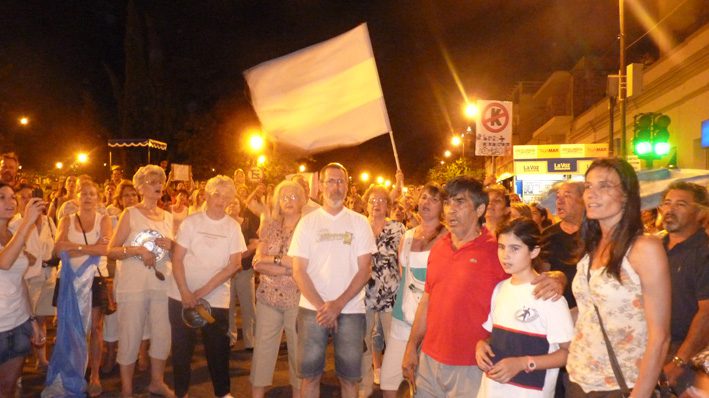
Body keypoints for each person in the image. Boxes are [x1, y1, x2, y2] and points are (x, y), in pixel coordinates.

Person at [401, 176, 565, 397]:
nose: (450, 210)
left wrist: (558, 278)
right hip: (430, 360)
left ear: (479, 209)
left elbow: (528, 273)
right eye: (448, 202)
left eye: (460, 202)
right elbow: (427, 299)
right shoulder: (439, 247)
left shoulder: (496, 251)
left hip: (472, 365)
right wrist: (412, 346)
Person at [567, 158, 670, 398]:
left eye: (604, 186)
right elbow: (589, 312)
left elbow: (660, 337)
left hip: (622, 385)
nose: (592, 194)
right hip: (578, 379)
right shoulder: (591, 248)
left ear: (626, 195)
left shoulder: (644, 249)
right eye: (589, 186)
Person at [289, 163, 377, 398]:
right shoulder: (307, 223)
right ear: (320, 186)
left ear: (347, 186)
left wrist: (337, 305)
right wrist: (322, 307)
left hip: (350, 309)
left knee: (349, 379)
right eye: (331, 181)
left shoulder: (359, 222)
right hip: (312, 309)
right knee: (310, 376)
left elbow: (364, 270)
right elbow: (299, 270)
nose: (336, 187)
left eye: (341, 181)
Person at [476, 218, 574, 398]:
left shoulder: (549, 296)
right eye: (501, 247)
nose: (505, 255)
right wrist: (482, 345)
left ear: (534, 251)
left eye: (515, 248)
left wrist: (523, 363)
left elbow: (569, 354)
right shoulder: (500, 289)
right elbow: (497, 336)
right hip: (492, 390)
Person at [169, 175, 245, 398]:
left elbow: (234, 265)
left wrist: (201, 292)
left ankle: (223, 393)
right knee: (182, 349)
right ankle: (180, 392)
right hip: (180, 296)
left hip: (216, 298)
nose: (220, 200)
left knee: (218, 349)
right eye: (216, 195)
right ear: (207, 196)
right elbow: (178, 259)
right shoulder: (191, 222)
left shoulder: (232, 227)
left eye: (226, 196)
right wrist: (185, 292)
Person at [108, 165, 176, 397]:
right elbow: (111, 250)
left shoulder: (168, 216)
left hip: (162, 284)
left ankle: (157, 381)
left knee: (162, 333)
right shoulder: (130, 213)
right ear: (140, 187)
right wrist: (137, 250)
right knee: (130, 333)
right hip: (133, 285)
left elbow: (176, 253)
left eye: (160, 181)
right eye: (151, 181)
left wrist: (172, 246)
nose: (158, 185)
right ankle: (126, 387)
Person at [44, 180, 112, 397]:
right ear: (77, 197)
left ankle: (94, 376)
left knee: (95, 329)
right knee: (69, 328)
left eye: (93, 193)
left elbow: (105, 249)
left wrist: (75, 247)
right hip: (69, 281)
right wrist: (89, 248)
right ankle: (70, 371)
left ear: (98, 197)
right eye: (84, 194)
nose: (88, 197)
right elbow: (58, 248)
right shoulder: (66, 219)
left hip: (95, 278)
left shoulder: (105, 220)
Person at [380, 183, 447, 398]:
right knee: (389, 382)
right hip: (402, 317)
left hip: (432, 320)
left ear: (443, 206)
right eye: (424, 197)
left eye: (434, 199)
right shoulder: (407, 235)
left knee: (423, 384)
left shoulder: (447, 237)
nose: (426, 202)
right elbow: (402, 275)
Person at [250, 180, 306, 398]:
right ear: (277, 202)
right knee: (262, 352)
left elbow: (302, 264)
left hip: (298, 299)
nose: (288, 200)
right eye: (284, 197)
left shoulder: (307, 228)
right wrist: (286, 266)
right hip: (268, 298)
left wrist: (272, 262)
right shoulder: (271, 226)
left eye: (293, 196)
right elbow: (257, 263)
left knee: (297, 354)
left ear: (302, 200)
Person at [658, 181, 709, 395]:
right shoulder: (652, 247)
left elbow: (706, 312)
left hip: (686, 358)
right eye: (667, 203)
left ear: (700, 213)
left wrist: (679, 362)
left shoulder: (704, 253)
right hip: (650, 351)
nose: (670, 209)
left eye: (681, 204)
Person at [0, 183, 45, 397]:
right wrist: (27, 222)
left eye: (11, 197)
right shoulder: (19, 231)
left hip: (17, 322)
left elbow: (19, 280)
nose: (10, 202)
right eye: (1, 197)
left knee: (9, 386)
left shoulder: (11, 233)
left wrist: (32, 319)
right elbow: (4, 262)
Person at [360, 185, 406, 397]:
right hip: (363, 293)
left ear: (388, 205)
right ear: (366, 203)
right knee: (364, 342)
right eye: (372, 200)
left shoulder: (397, 229)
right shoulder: (358, 226)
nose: (376, 204)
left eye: (381, 201)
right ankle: (365, 385)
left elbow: (402, 260)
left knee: (393, 340)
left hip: (391, 292)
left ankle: (393, 385)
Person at [102, 181, 140, 375]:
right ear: (119, 198)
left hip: (140, 276)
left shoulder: (145, 217)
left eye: (134, 195)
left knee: (138, 318)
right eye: (126, 195)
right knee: (112, 318)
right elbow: (109, 249)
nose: (131, 198)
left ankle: (138, 357)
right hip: (118, 273)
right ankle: (110, 356)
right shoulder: (112, 218)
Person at [539, 181, 585, 312]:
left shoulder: (596, 233)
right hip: (558, 307)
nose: (559, 201)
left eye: (567, 196)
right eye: (558, 197)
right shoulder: (548, 234)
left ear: (584, 200)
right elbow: (543, 272)